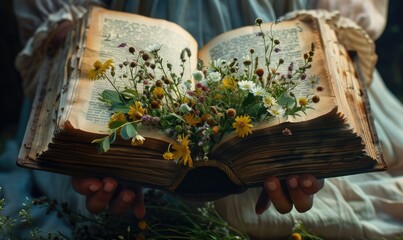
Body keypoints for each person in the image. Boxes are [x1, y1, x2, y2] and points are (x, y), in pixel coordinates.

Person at [6, 0, 403, 239]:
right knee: (124, 186)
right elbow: (63, 31)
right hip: (125, 29)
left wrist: (292, 146)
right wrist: (111, 151)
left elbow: (330, 34)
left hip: (279, 33)